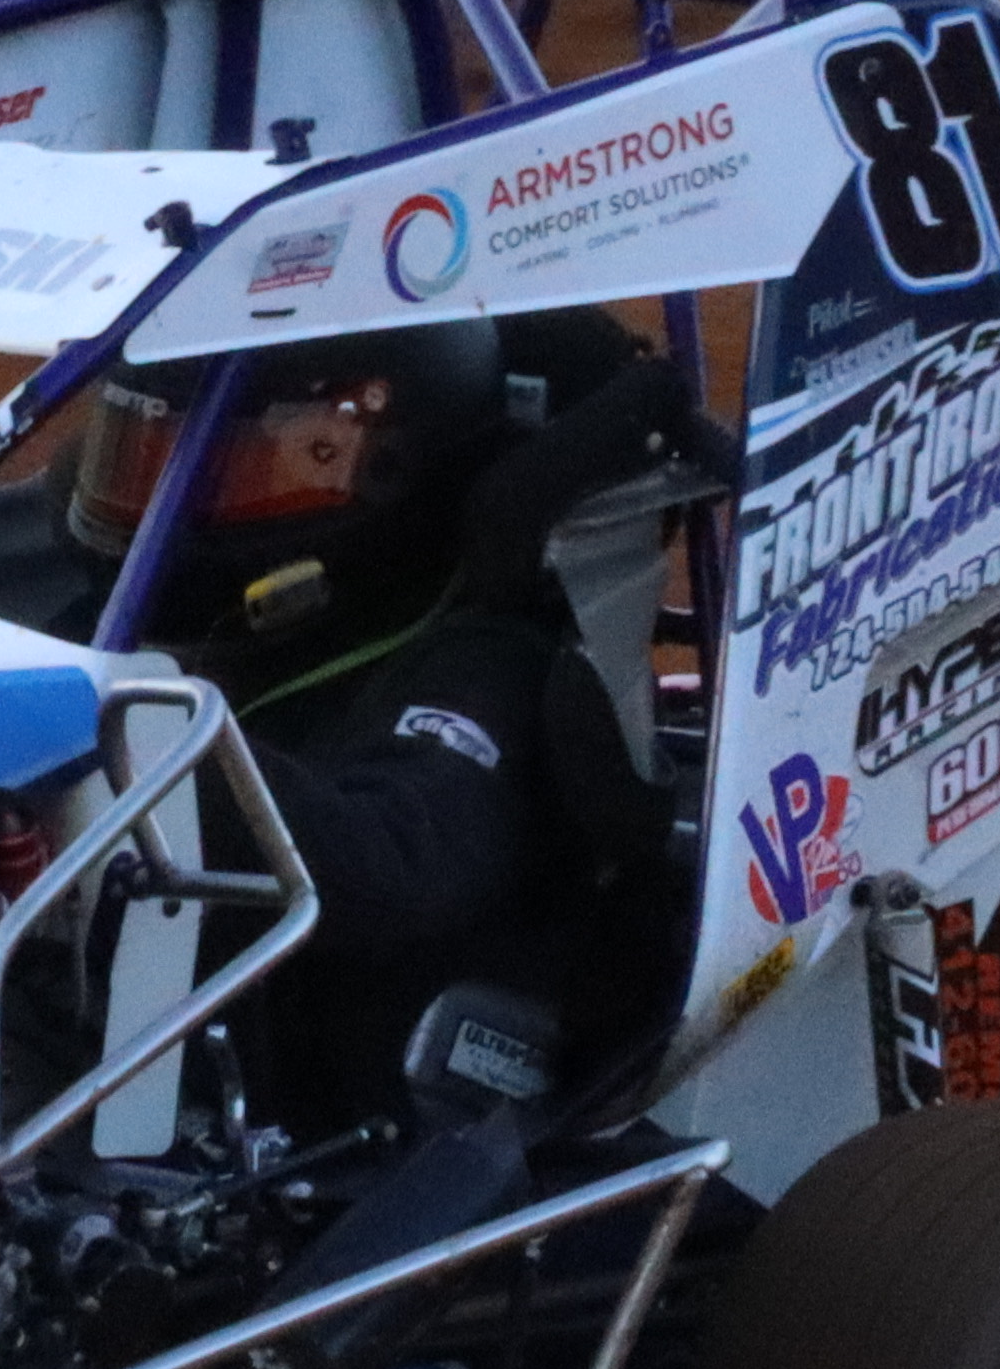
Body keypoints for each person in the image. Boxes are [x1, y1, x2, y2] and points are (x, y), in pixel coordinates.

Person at [53, 307, 722, 1125]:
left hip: (339, 1112)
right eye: (143, 460)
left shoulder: (488, 664)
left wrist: (135, 740)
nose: (170, 501)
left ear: (389, 462)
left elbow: (393, 865)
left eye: (241, 469)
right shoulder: (190, 634)